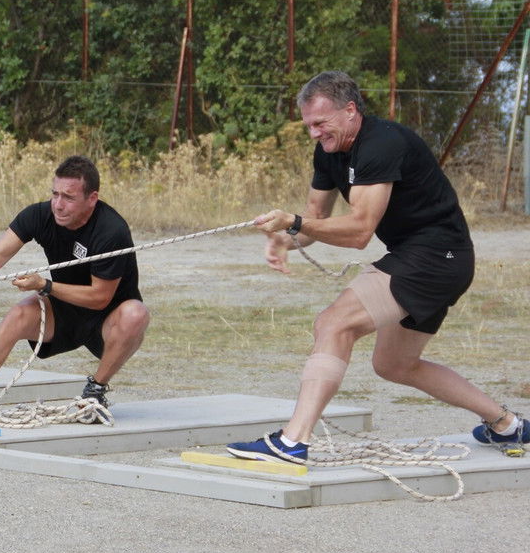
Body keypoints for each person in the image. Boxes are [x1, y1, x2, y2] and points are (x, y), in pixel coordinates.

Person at [226, 70, 527, 463]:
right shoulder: (329, 152)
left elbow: (359, 231)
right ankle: (507, 425)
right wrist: (285, 240)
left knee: (333, 324)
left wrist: (295, 223)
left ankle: (292, 441)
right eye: (309, 126)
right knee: (394, 365)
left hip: (437, 255)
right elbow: (316, 215)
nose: (314, 133)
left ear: (350, 111)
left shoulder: (381, 143)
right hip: (429, 257)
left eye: (320, 123)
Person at [0, 155, 150, 422]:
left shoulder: (111, 230)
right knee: (19, 314)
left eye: (68, 197)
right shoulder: (39, 215)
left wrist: (45, 285)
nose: (58, 205)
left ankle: (95, 392)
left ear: (92, 198)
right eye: (55, 194)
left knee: (136, 314)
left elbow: (100, 298)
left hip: (108, 320)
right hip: (63, 312)